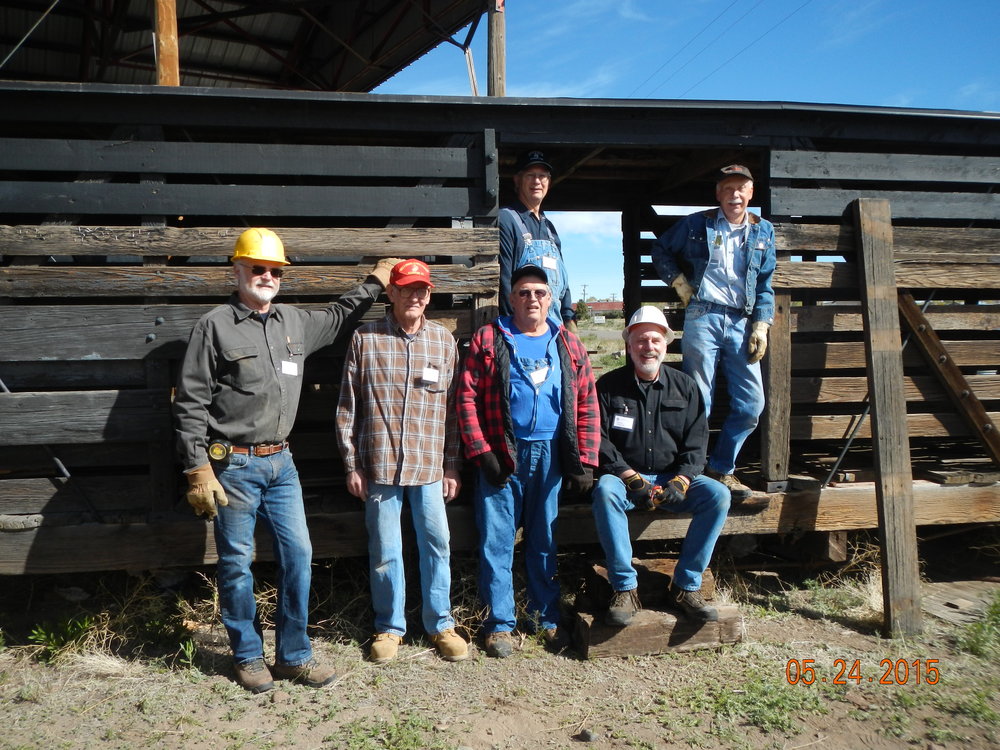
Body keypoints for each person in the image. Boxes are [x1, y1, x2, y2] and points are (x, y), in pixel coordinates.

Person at [174, 227, 401, 693]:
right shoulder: (214, 326)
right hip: (232, 466)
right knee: (236, 562)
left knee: (299, 555)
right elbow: (190, 402)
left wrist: (376, 281)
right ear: (237, 271)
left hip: (282, 464)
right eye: (257, 268)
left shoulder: (294, 322)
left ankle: (294, 654)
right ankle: (247, 655)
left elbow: (339, 316)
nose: (266, 276)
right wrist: (196, 467)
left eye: (274, 270)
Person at [456, 264, 599, 658]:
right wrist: (482, 452)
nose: (532, 299)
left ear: (550, 299)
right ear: (511, 298)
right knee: (496, 543)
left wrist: (584, 460)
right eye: (523, 292)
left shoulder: (568, 343)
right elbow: (466, 398)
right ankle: (499, 625)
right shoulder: (490, 338)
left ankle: (545, 617)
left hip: (550, 455)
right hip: (503, 454)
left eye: (539, 292)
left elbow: (586, 402)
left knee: (543, 541)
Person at [335, 259, 468, 665]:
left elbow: (452, 411)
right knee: (386, 549)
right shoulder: (365, 338)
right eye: (407, 288)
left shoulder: (444, 342)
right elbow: (347, 407)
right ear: (390, 292)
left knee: (437, 545)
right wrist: (351, 464)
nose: (415, 296)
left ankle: (440, 623)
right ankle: (389, 628)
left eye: (422, 290)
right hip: (380, 467)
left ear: (430, 295)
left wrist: (452, 465)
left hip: (429, 467)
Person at [591, 306, 730, 624]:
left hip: (672, 478)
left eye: (655, 340)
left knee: (719, 496)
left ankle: (685, 586)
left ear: (665, 344)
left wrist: (682, 480)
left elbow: (697, 442)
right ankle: (625, 588)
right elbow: (599, 440)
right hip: (625, 477)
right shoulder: (608, 387)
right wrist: (631, 477)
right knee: (604, 492)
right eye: (640, 340)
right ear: (629, 345)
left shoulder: (686, 387)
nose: (648, 347)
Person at [650, 164, 776, 502]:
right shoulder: (696, 223)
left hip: (742, 321)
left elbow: (765, 283)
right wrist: (679, 284)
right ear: (717, 193)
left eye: (741, 188)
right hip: (702, 314)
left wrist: (761, 325)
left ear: (751, 192)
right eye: (727, 188)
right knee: (699, 399)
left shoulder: (763, 231)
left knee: (752, 403)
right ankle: (691, 471)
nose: (734, 195)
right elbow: (659, 249)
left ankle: (721, 467)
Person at [498, 150, 576, 329]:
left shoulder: (549, 228)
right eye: (530, 175)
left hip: (555, 328)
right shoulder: (507, 219)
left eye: (542, 176)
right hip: (524, 328)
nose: (537, 181)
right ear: (517, 180)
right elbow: (505, 282)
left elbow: (564, 284)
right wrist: (516, 330)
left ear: (549, 181)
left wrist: (569, 321)